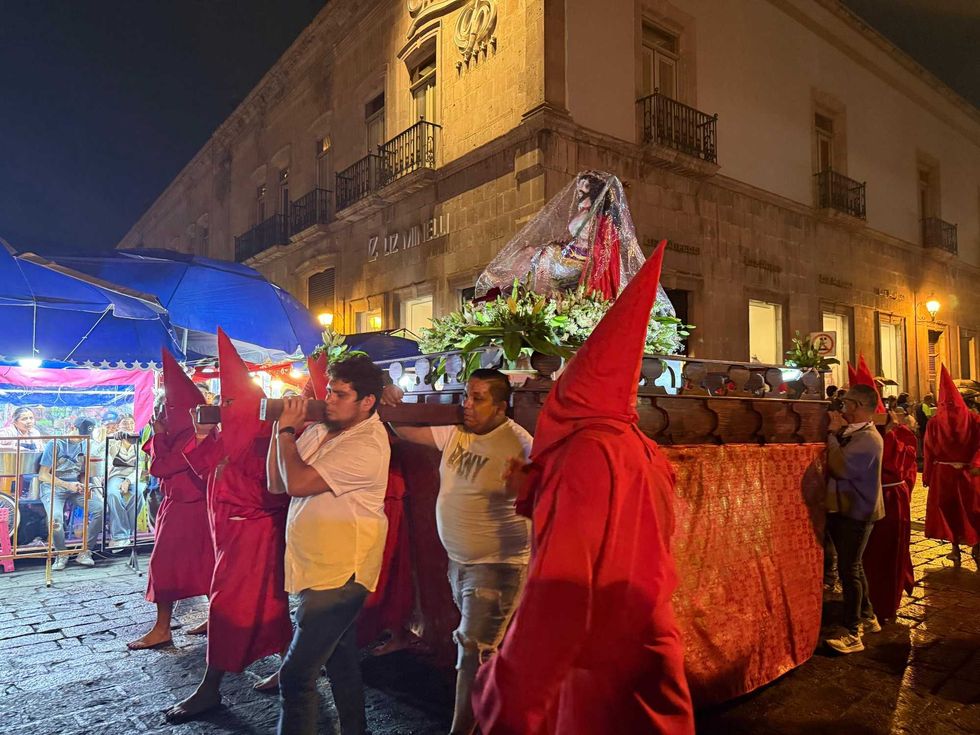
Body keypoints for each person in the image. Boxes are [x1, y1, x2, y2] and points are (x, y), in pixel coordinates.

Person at [472, 242, 694, 734]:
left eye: (568, 374)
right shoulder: (632, 442)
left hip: (607, 664)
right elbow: (620, 529)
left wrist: (508, 691)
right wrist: (538, 486)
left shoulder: (587, 454)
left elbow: (562, 588)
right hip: (643, 644)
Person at [386, 368, 533, 735]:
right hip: (459, 561)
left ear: (501, 406)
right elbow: (404, 431)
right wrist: (389, 403)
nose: (466, 405)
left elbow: (552, 490)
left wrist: (527, 485)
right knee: (486, 651)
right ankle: (503, 717)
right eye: (466, 396)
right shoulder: (455, 431)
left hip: (497, 565)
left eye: (478, 398)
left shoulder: (521, 443)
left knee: (473, 651)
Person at [164, 330, 292, 723]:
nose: (222, 408)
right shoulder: (226, 440)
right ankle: (292, 668)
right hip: (229, 539)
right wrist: (202, 438)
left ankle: (211, 687)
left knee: (230, 611)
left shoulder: (263, 440)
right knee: (267, 608)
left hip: (254, 539)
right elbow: (205, 475)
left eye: (229, 401)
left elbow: (275, 490)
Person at [269, 355, 390, 735]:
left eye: (340, 394)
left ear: (367, 402)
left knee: (295, 677)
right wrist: (280, 431)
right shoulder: (324, 429)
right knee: (340, 660)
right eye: (329, 392)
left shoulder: (368, 444)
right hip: (315, 567)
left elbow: (299, 484)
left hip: (341, 576)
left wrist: (288, 433)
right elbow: (277, 483)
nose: (330, 401)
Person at [128, 351, 214, 650]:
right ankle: (199, 620)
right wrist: (160, 435)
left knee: (168, 565)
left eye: (167, 408)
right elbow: (152, 455)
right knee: (201, 564)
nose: (161, 413)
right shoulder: (180, 432)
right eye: (161, 406)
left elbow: (159, 466)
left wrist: (162, 436)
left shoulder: (198, 436)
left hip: (192, 508)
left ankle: (163, 628)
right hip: (175, 504)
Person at [848, 359, 916, 622]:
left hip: (887, 498)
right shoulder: (854, 431)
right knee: (862, 559)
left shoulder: (893, 434)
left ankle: (882, 606)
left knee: (884, 557)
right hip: (864, 500)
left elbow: (904, 467)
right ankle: (866, 606)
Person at [823, 383, 885, 654]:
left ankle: (853, 631)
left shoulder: (868, 439)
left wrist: (830, 436)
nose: (841, 407)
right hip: (848, 509)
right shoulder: (855, 433)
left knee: (849, 570)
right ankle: (868, 617)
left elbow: (841, 468)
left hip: (857, 512)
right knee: (854, 566)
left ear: (858, 406)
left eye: (846, 403)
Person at [923, 366, 980, 566]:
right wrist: (976, 464)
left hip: (943, 474)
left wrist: (927, 475)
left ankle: (955, 549)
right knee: (972, 509)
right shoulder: (975, 420)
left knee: (949, 511)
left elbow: (928, 450)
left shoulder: (934, 422)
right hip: (969, 473)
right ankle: (976, 545)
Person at [38, 416, 105, 570]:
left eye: (85, 436)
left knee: (99, 508)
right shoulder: (55, 444)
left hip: (75, 486)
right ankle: (61, 553)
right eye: (80, 434)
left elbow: (82, 472)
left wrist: (83, 484)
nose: (82, 438)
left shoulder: (85, 444)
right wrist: (67, 485)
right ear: (72, 427)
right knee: (55, 519)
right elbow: (43, 475)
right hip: (53, 486)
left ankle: (85, 551)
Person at [105, 415, 140, 545]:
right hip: (116, 475)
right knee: (113, 494)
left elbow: (141, 465)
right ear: (119, 426)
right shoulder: (114, 440)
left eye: (131, 423)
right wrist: (113, 438)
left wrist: (128, 481)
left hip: (135, 475)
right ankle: (120, 535)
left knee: (138, 494)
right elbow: (102, 453)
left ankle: (126, 533)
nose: (128, 426)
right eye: (125, 424)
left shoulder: (139, 440)